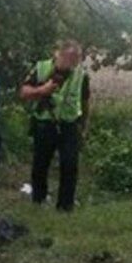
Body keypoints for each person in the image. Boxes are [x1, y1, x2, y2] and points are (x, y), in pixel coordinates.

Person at [19, 40, 90, 211]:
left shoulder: (82, 75)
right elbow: (23, 92)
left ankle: (65, 206)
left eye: (75, 60)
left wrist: (84, 126)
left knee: (70, 164)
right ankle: (39, 200)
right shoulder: (41, 68)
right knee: (40, 164)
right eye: (68, 58)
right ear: (57, 54)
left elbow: (85, 101)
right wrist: (41, 91)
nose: (70, 63)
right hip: (45, 123)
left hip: (69, 125)